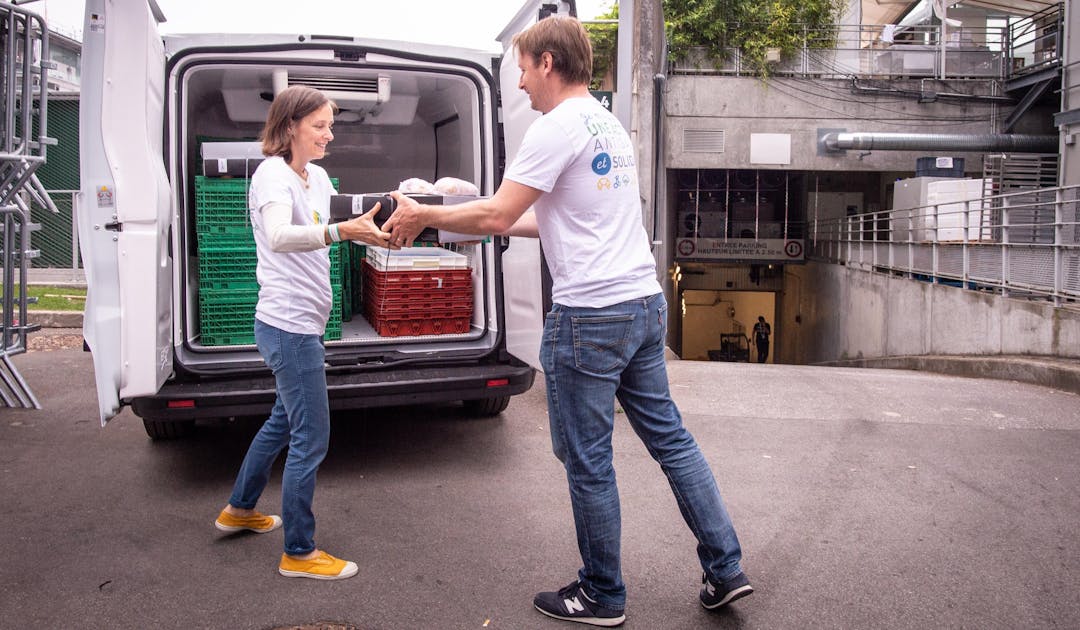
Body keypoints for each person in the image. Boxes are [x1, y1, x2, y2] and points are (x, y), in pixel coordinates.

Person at [383, 15, 751, 626]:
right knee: (672, 442)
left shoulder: (553, 128)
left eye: (524, 68)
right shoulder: (608, 125)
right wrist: (452, 213)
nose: (521, 83)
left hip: (592, 317)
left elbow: (500, 217)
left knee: (588, 460)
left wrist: (426, 215)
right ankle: (725, 567)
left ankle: (602, 593)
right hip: (642, 303)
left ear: (547, 63)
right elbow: (543, 219)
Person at [214, 85, 392, 581]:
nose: (328, 134)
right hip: (288, 327)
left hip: (300, 325)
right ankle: (299, 551)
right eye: (319, 126)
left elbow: (336, 219)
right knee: (311, 436)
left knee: (283, 422)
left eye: (330, 125)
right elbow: (279, 236)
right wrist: (342, 233)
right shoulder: (273, 176)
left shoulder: (312, 177)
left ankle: (241, 509)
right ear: (290, 125)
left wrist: (373, 228)